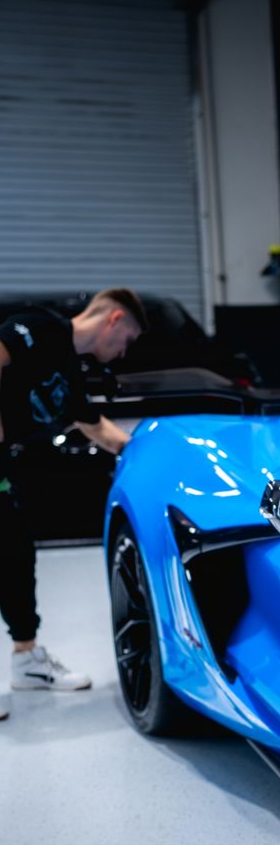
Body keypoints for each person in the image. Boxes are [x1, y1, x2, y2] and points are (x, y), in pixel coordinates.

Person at [0, 289, 145, 721]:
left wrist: (145, 453)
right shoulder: (43, 328)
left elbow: (93, 425)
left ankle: (27, 661)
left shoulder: (69, 368)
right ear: (114, 319)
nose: (122, 353)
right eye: (127, 340)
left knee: (15, 552)